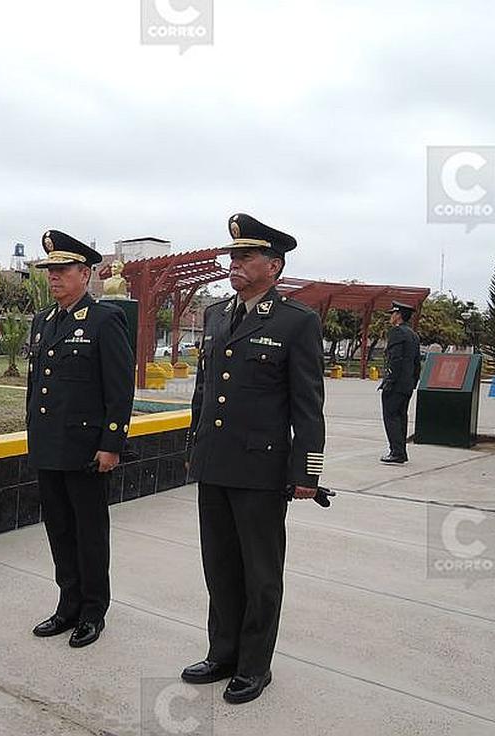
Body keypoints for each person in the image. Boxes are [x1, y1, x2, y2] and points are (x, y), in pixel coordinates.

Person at [182, 213, 326, 704]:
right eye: (233, 257)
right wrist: (193, 449)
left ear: (274, 266)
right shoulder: (217, 315)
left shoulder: (296, 322)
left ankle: (254, 666)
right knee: (219, 566)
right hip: (215, 464)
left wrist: (307, 471)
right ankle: (222, 653)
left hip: (261, 471)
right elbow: (205, 392)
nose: (235, 264)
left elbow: (308, 404)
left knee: (260, 573)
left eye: (245, 257)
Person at [27, 229, 135, 648]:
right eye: (50, 270)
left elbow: (119, 387)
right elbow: (39, 387)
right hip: (49, 446)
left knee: (89, 532)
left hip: (86, 450)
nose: (53, 277)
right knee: (59, 530)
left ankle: (93, 610)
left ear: (85, 274)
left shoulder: (105, 320)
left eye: (62, 269)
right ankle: (67, 603)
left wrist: (111, 444)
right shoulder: (44, 321)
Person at [379, 301, 421, 464]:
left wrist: (389, 380)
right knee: (401, 416)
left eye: (392, 314)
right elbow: (417, 362)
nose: (391, 317)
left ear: (398, 315)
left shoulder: (397, 333)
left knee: (391, 416)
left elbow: (395, 359)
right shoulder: (413, 335)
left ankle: (396, 452)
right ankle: (400, 450)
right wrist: (413, 381)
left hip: (396, 383)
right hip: (407, 383)